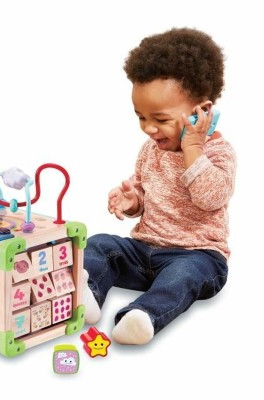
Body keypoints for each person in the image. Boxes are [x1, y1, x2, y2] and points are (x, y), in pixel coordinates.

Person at [82, 27, 237, 345]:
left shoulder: (219, 152)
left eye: (161, 119)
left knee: (184, 275)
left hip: (197, 256)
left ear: (202, 112)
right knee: (98, 243)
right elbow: (144, 191)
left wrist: (193, 147)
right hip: (144, 251)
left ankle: (143, 316)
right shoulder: (151, 150)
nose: (149, 128)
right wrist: (132, 202)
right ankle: (87, 295)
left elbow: (209, 198)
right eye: (141, 117)